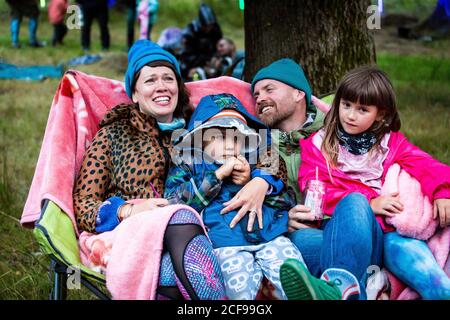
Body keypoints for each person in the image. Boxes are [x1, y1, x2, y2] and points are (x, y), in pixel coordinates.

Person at [73, 40, 227, 300]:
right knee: (180, 218)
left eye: (168, 78)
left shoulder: (197, 132)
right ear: (134, 93)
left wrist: (262, 182)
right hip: (127, 238)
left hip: (190, 240)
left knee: (183, 270)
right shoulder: (113, 135)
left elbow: (257, 145)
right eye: (150, 80)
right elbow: (83, 205)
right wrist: (127, 209)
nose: (161, 86)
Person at [285, 65, 450, 300]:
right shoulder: (317, 145)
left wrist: (443, 192)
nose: (350, 115)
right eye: (346, 105)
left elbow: (428, 166)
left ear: (380, 114)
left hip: (375, 237)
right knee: (301, 241)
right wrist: (370, 201)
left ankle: (338, 289)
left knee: (354, 202)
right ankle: (350, 291)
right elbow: (313, 185)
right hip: (334, 230)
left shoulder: (390, 144)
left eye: (362, 109)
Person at [165, 93, 308, 299]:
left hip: (271, 237)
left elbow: (287, 199)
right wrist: (217, 176)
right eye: (220, 138)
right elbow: (174, 202)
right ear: (202, 140)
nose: (230, 145)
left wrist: (254, 182)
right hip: (225, 245)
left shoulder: (255, 165)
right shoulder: (191, 165)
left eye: (236, 138)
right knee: (239, 291)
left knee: (292, 272)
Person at [250, 58, 368, 300]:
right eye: (256, 94)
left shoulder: (337, 131)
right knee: (305, 241)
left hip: (351, 223)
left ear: (298, 93)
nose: (260, 98)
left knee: (355, 202)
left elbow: (395, 158)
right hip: (305, 233)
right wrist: (283, 219)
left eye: (269, 89)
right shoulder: (260, 146)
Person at [180, 3, 223, 81]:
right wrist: (204, 63)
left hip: (210, 62)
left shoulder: (215, 29)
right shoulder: (190, 31)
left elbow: (218, 47)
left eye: (211, 26)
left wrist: (217, 58)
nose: (209, 28)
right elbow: (185, 56)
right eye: (207, 26)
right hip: (194, 64)